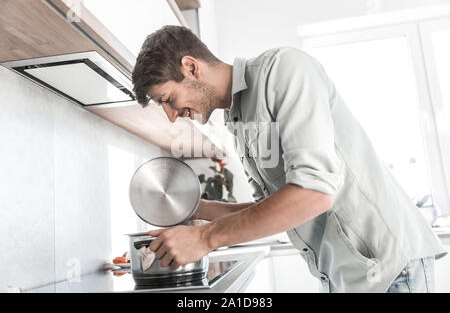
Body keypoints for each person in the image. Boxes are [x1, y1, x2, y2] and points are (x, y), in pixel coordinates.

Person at [131, 25, 447, 293]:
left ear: (191, 67)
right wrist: (199, 210)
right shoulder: (237, 121)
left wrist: (204, 237)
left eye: (168, 100)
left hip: (389, 266)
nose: (172, 117)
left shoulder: (283, 70)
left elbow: (313, 193)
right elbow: (274, 205)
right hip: (349, 278)